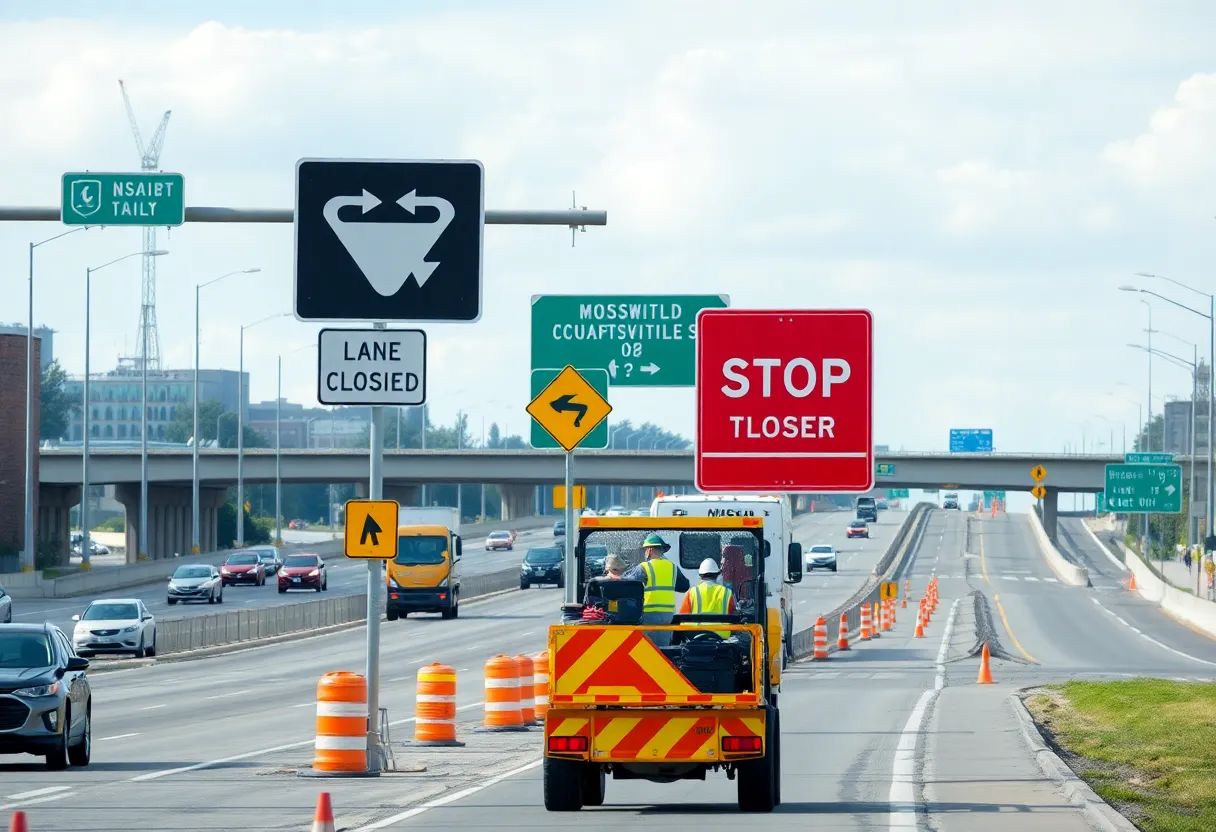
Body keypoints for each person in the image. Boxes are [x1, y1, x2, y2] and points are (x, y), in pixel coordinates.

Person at [622, 533, 690, 646]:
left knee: (647, 648)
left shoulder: (644, 567)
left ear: (649, 550)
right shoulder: (673, 567)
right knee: (663, 648)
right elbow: (684, 586)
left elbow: (626, 584)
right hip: (668, 616)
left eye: (645, 550)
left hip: (650, 614)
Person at [678, 558, 737, 638]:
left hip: (696, 635)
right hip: (722, 637)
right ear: (717, 575)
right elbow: (733, 616)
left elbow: (683, 617)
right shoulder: (727, 592)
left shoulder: (692, 592)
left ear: (700, 576)